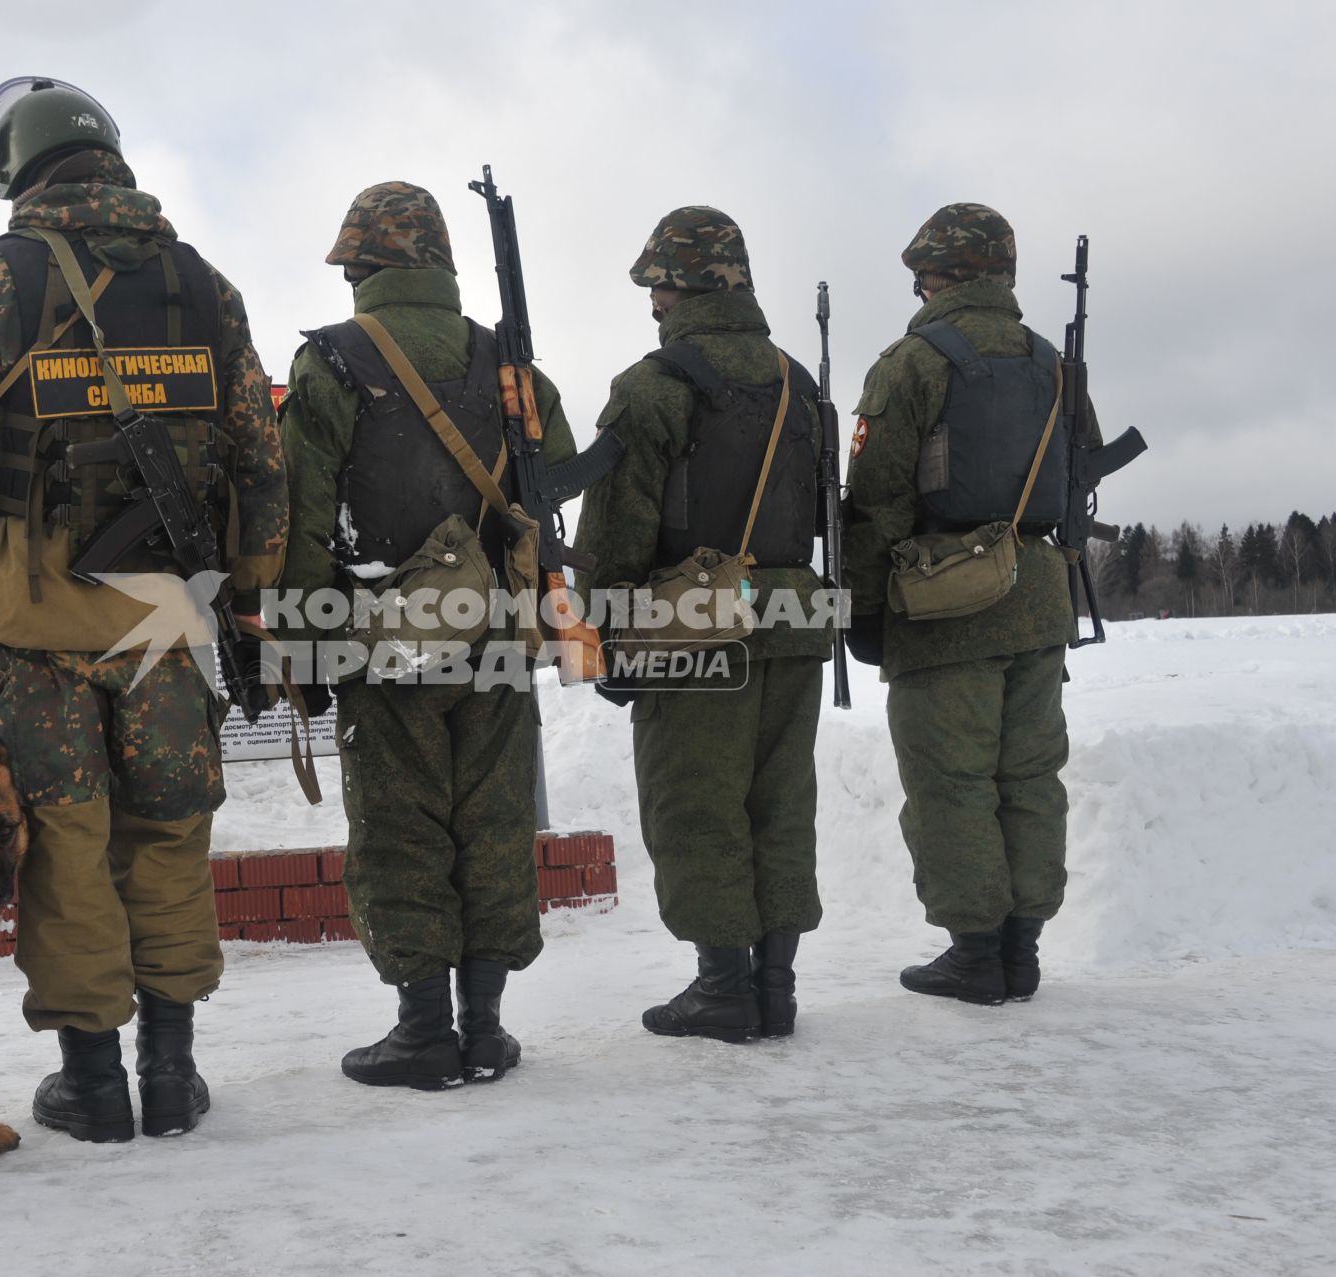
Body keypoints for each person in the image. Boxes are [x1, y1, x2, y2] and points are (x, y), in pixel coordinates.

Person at [0, 78, 286, 1140]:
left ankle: (95, 1085)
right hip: (170, 629)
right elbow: (259, 460)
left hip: (32, 631)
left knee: (61, 845)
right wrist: (252, 606)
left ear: (19, 166)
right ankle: (174, 1074)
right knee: (168, 834)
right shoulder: (207, 288)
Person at [278, 181, 577, 1088]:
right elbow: (556, 480)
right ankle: (484, 1028)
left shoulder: (330, 362)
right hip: (495, 634)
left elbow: (300, 520)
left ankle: (422, 1031)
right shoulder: (511, 365)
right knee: (494, 820)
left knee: (399, 827)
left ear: (363, 266)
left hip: (381, 637)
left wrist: (300, 648)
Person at [572, 207, 833, 1043]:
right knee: (780, 802)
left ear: (673, 286)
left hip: (693, 629)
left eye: (656, 284)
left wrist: (608, 632)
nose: (652, 300)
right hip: (795, 618)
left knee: (697, 803)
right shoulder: (801, 383)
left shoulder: (652, 387)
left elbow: (613, 532)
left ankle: (724, 986)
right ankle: (777, 987)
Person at [842, 203, 1100, 1005]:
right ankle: (1021, 949)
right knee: (1029, 777)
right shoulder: (1052, 359)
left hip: (942, 597)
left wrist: (862, 608)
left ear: (939, 273)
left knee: (951, 782)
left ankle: (976, 952)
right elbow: (1081, 472)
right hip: (1040, 598)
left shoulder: (912, 361)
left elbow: (875, 499)